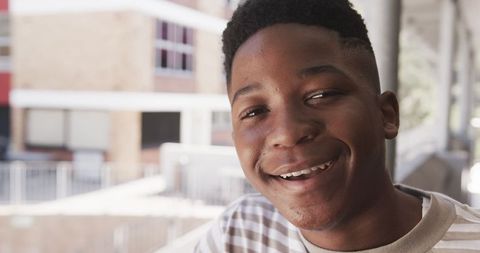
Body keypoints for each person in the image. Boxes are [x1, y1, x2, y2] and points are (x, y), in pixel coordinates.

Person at [195, 0, 480, 252]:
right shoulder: (238, 235)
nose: (287, 133)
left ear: (387, 115)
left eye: (320, 95)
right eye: (255, 111)